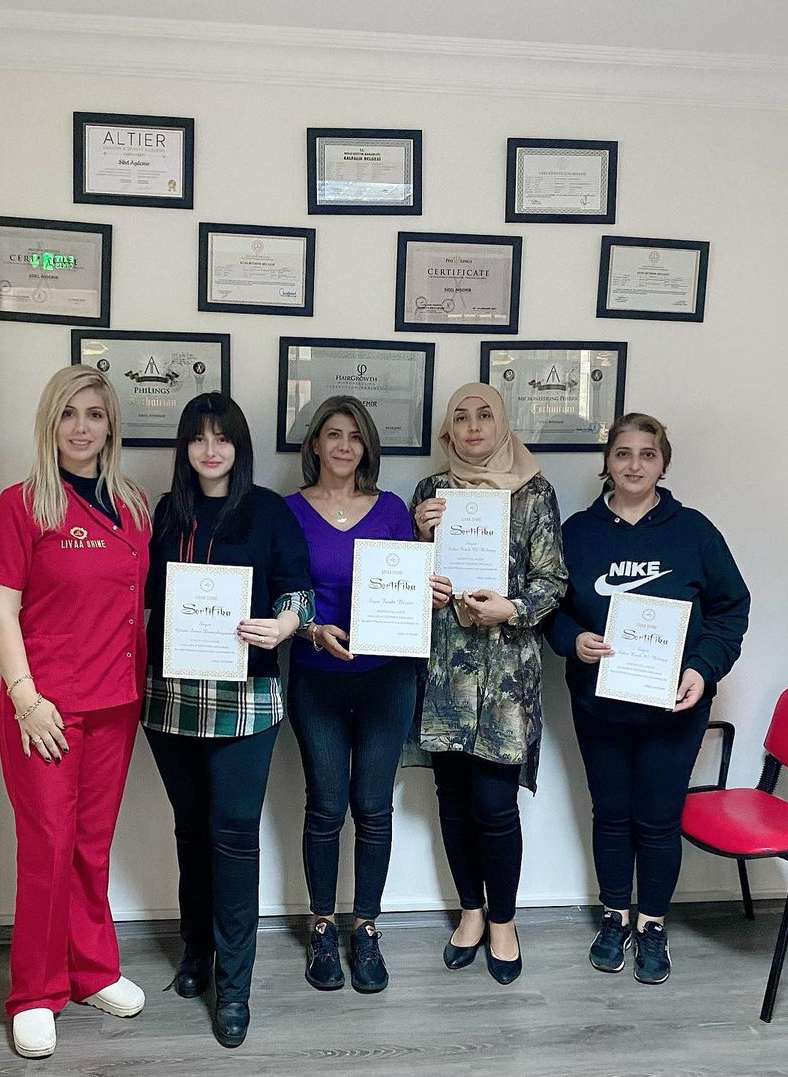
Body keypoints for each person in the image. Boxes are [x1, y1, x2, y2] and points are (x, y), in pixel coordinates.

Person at [0, 366, 151, 1060]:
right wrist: (25, 697)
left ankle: (92, 970)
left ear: (111, 426)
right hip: (44, 708)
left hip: (115, 704)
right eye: (69, 413)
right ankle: (35, 993)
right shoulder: (22, 505)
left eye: (95, 414)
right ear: (50, 422)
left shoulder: (133, 506)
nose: (81, 426)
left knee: (91, 844)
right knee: (47, 846)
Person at [545, 413, 750, 986]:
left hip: (673, 709)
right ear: (607, 463)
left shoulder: (695, 531)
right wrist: (572, 640)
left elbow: (731, 609)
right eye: (623, 453)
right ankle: (614, 918)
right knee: (611, 816)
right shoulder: (578, 533)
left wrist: (703, 669)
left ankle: (653, 925)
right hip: (600, 706)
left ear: (663, 464)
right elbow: (551, 608)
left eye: (647, 454)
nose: (634, 465)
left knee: (658, 821)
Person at [142, 392, 313, 1049]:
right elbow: (143, 596)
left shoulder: (268, 510)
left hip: (247, 700)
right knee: (191, 832)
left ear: (240, 445)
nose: (210, 449)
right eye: (198, 438)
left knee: (235, 835)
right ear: (184, 447)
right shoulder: (167, 512)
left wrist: (285, 625)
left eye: (222, 437)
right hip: (171, 698)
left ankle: (234, 985)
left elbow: (299, 591)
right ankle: (196, 951)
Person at [409, 382, 568, 986]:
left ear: (502, 425)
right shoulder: (431, 492)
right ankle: (470, 912)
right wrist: (421, 544)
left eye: (484, 416)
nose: (473, 427)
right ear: (448, 432)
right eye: (461, 418)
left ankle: (503, 920)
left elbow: (554, 581)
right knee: (452, 800)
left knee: (494, 807)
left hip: (506, 677)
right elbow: (406, 582)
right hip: (445, 672)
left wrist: (513, 609)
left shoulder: (535, 493)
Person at [284, 395, 417, 994]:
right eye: (333, 434)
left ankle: (364, 927)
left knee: (373, 806)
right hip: (317, 677)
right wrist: (312, 629)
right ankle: (321, 925)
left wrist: (427, 593)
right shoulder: (288, 511)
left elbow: (408, 586)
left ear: (368, 447)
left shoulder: (391, 510)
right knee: (326, 804)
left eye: (355, 436)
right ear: (315, 443)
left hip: (388, 679)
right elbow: (281, 592)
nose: (344, 446)